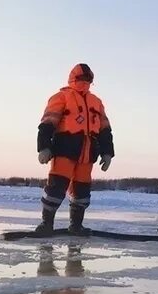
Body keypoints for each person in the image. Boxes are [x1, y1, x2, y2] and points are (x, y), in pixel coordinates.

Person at [35, 63, 114, 236]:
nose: (85, 82)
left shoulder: (97, 102)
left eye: (88, 79)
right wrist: (44, 147)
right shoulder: (61, 97)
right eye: (82, 78)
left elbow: (105, 129)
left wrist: (107, 152)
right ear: (74, 78)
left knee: (82, 191)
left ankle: (76, 225)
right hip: (65, 148)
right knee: (56, 188)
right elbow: (47, 123)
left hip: (88, 153)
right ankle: (46, 223)